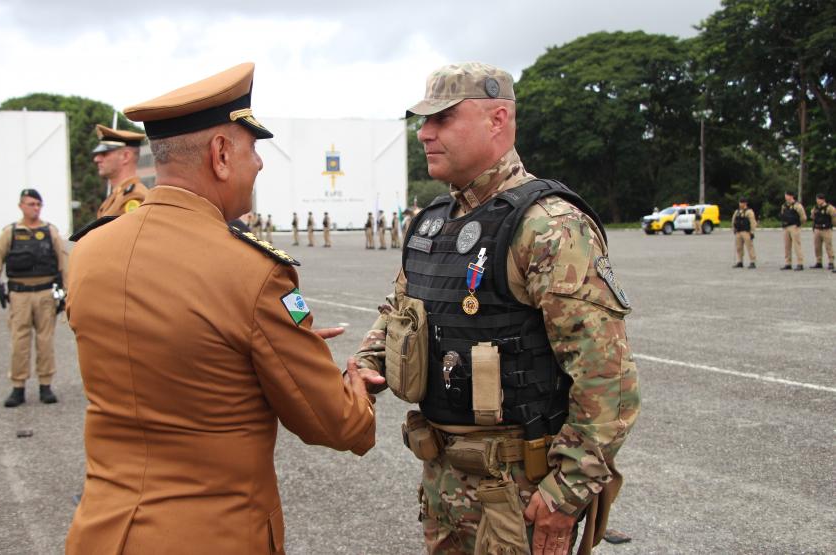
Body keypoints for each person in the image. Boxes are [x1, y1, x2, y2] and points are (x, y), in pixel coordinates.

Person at [64, 62, 377, 554]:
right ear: (221, 153)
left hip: (104, 533)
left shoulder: (87, 253)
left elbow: (156, 349)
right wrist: (354, 390)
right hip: (212, 536)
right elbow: (333, 423)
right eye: (254, 150)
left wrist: (256, 351)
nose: (260, 165)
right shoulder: (254, 272)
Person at [350, 62, 640, 555]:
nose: (424, 134)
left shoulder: (548, 226)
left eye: (441, 119)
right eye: (424, 121)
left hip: (518, 495)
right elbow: (400, 309)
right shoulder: (431, 224)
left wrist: (565, 495)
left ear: (497, 120)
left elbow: (607, 379)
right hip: (443, 484)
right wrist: (367, 363)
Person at [0, 188, 67, 407]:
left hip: (45, 294)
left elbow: (64, 263)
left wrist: (68, 294)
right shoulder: (10, 232)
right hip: (19, 295)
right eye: (31, 204)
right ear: (21, 206)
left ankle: (45, 385)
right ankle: (18, 387)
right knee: (19, 342)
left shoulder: (50, 232)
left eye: (38, 205)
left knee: (45, 341)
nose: (35, 208)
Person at [92, 124, 148, 217]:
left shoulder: (135, 197)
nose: (96, 159)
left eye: (104, 153)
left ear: (126, 156)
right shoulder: (117, 195)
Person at [780, 191, 806, 270]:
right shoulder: (784, 206)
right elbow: (782, 214)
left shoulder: (797, 206)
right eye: (785, 195)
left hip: (794, 226)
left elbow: (803, 217)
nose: (785, 197)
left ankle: (800, 263)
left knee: (796, 245)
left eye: (787, 195)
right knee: (787, 246)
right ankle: (788, 263)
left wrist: (799, 224)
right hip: (786, 226)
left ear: (791, 196)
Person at [809, 193, 835, 270]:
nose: (817, 201)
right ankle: (819, 261)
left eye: (819, 199)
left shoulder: (829, 208)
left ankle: (831, 262)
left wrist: (832, 225)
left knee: (828, 246)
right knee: (817, 247)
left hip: (826, 229)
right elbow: (813, 217)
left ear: (823, 200)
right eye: (817, 199)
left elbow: (834, 218)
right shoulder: (815, 208)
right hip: (817, 229)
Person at [731, 198, 757, 268]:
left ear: (745, 203)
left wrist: (752, 232)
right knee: (739, 247)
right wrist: (734, 228)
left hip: (746, 232)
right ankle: (740, 261)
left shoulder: (749, 212)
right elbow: (733, 220)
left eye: (742, 202)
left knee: (749, 247)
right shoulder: (737, 211)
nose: (740, 204)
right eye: (740, 202)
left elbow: (753, 222)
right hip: (738, 232)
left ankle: (752, 261)